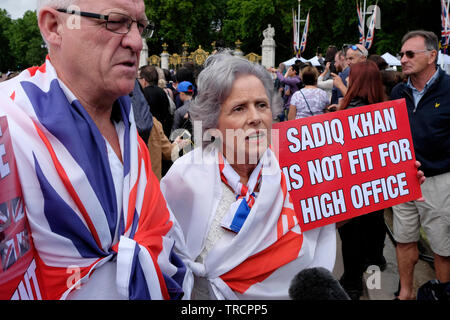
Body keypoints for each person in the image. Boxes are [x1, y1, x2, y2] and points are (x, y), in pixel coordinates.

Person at [0, 0, 190, 300]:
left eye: (141, 25)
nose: (136, 41)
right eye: (115, 22)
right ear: (54, 26)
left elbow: (163, 240)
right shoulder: (8, 124)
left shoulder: (130, 127)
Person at [160, 53, 337, 300]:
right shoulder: (184, 177)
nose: (255, 117)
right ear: (213, 120)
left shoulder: (301, 169)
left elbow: (326, 221)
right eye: (239, 108)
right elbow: (163, 258)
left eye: (261, 105)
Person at [390, 30, 450, 300]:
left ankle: (442, 293)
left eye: (410, 54)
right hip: (403, 180)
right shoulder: (397, 91)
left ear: (432, 56)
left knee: (441, 245)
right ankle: (405, 293)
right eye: (402, 54)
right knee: (403, 240)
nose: (403, 59)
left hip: (438, 181)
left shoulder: (449, 90)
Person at [335, 60, 389, 299]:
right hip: (379, 186)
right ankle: (375, 269)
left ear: (356, 81)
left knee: (352, 234)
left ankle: (353, 282)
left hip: (353, 187)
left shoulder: (348, 112)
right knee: (375, 227)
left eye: (350, 77)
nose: (346, 79)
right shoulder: (387, 112)